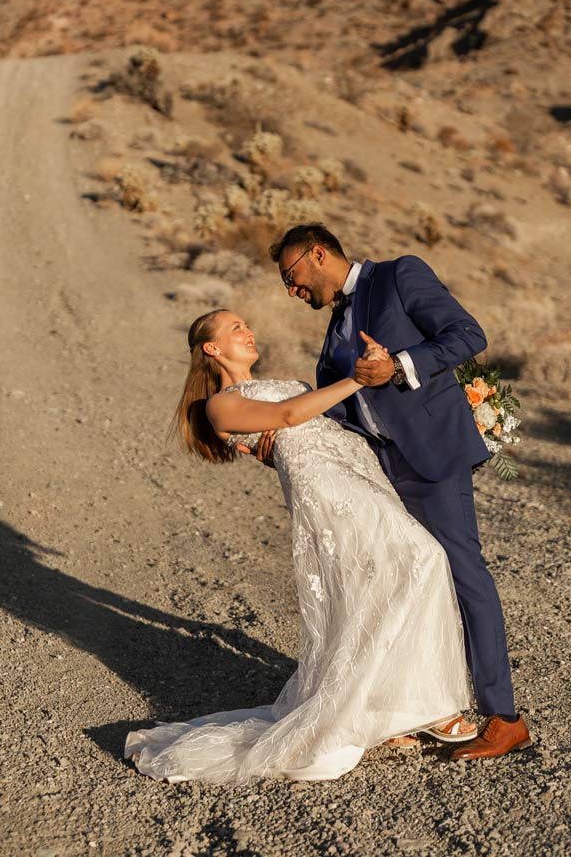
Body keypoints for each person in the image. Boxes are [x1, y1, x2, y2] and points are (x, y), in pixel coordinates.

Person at [124, 308, 476, 784]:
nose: (248, 330)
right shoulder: (220, 405)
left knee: (378, 588)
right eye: (234, 328)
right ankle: (428, 710)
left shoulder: (269, 382)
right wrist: (358, 378)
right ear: (211, 348)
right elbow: (290, 415)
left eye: (246, 323)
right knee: (422, 559)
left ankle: (387, 711)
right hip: (329, 492)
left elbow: (304, 424)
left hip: (356, 475)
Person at [259, 224, 531, 761]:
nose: (291, 291)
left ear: (318, 254)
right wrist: (284, 433)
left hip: (429, 459)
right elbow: (341, 405)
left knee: (462, 572)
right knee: (400, 581)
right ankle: (413, 705)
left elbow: (466, 335)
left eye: (291, 277)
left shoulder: (399, 274)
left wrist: (399, 366)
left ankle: (504, 717)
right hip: (376, 470)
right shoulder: (336, 322)